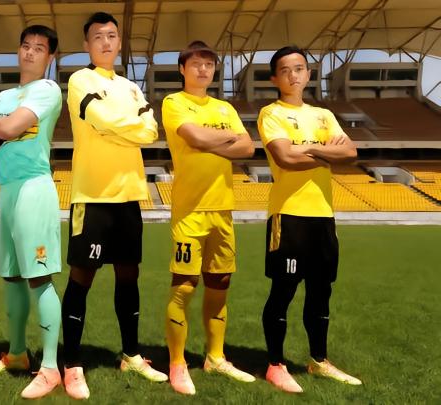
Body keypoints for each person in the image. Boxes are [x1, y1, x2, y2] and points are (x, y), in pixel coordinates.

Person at [61, 11, 167, 400]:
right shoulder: (79, 80)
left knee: (129, 275)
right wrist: (127, 128)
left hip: (129, 195)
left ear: (119, 42)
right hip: (92, 194)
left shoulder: (132, 87)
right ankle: (72, 363)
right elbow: (99, 119)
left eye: (111, 36)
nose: (105, 42)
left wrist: (117, 128)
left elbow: (150, 131)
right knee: (81, 277)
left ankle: (131, 355)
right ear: (87, 44)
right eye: (98, 37)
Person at [257, 45, 362, 393]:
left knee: (321, 291)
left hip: (323, 217)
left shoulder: (324, 115)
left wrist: (310, 148)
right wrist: (326, 151)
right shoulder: (271, 113)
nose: (293, 75)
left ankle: (319, 360)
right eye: (285, 70)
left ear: (308, 74)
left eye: (299, 68)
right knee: (283, 290)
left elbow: (350, 152)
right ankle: (275, 365)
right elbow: (285, 158)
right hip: (288, 215)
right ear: (274, 78)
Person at [161, 41, 256, 395]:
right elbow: (194, 137)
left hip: (222, 209)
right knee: (184, 286)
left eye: (209, 64)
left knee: (220, 283)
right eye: (196, 64)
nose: (203, 69)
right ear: (182, 69)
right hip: (189, 210)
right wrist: (226, 139)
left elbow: (248, 147)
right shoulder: (174, 102)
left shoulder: (225, 107)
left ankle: (215, 356)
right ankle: (177, 362)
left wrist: (210, 140)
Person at [0, 25, 63, 399]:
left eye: (39, 48)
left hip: (33, 188)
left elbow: (7, 128)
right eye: (25, 46)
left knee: (38, 277)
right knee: (11, 277)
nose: (29, 52)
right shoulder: (3, 96)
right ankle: (16, 354)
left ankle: (50, 368)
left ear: (50, 57)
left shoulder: (48, 89)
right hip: (6, 190)